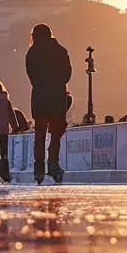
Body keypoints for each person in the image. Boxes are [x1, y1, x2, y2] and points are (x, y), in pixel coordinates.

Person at [25, 23, 72, 184]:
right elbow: (67, 75)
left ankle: (38, 169)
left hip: (39, 97)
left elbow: (31, 76)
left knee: (40, 133)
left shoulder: (31, 53)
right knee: (55, 133)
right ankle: (53, 163)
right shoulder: (60, 51)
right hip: (57, 97)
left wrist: (40, 84)